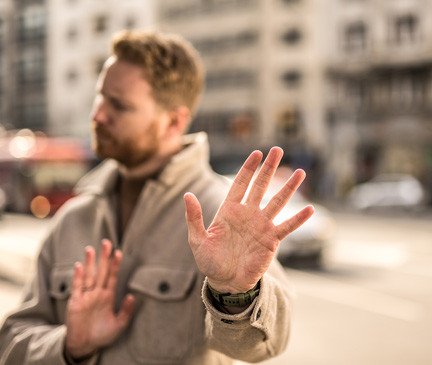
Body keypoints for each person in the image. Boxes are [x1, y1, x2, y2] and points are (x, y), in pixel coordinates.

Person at [0, 30, 314, 364]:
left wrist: (235, 295)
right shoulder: (73, 218)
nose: (98, 115)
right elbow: (12, 341)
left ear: (173, 122)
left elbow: (264, 346)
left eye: (119, 105)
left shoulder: (223, 217)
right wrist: (70, 345)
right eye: (100, 97)